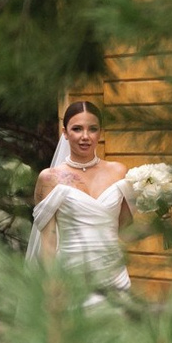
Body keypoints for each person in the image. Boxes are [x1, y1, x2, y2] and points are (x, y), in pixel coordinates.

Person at [31, 100, 131, 297]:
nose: (85, 136)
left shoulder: (119, 172)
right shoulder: (49, 178)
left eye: (92, 129)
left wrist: (160, 211)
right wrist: (52, 288)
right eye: (77, 129)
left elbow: (126, 230)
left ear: (100, 132)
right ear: (65, 133)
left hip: (114, 278)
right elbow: (48, 242)